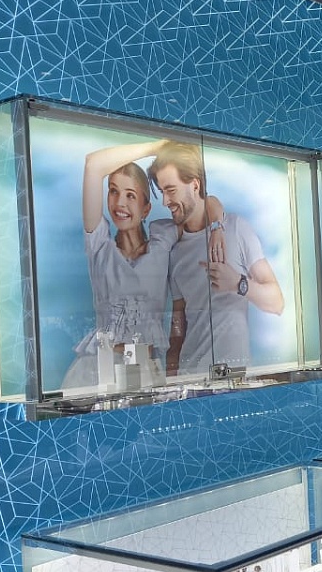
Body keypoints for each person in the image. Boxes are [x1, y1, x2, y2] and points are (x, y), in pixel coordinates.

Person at [62, 138, 226, 390]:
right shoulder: (99, 244)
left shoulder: (163, 238)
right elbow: (93, 165)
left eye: (131, 195)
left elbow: (207, 201)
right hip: (97, 374)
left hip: (146, 372)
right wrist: (156, 147)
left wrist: (217, 227)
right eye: (113, 191)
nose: (120, 203)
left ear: (146, 208)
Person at [147, 141, 284, 377]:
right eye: (162, 192)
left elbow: (277, 303)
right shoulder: (175, 249)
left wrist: (238, 283)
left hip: (233, 379)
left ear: (195, 185)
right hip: (190, 380)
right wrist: (171, 378)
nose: (165, 202)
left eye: (171, 190)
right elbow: (178, 324)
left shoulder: (237, 229)